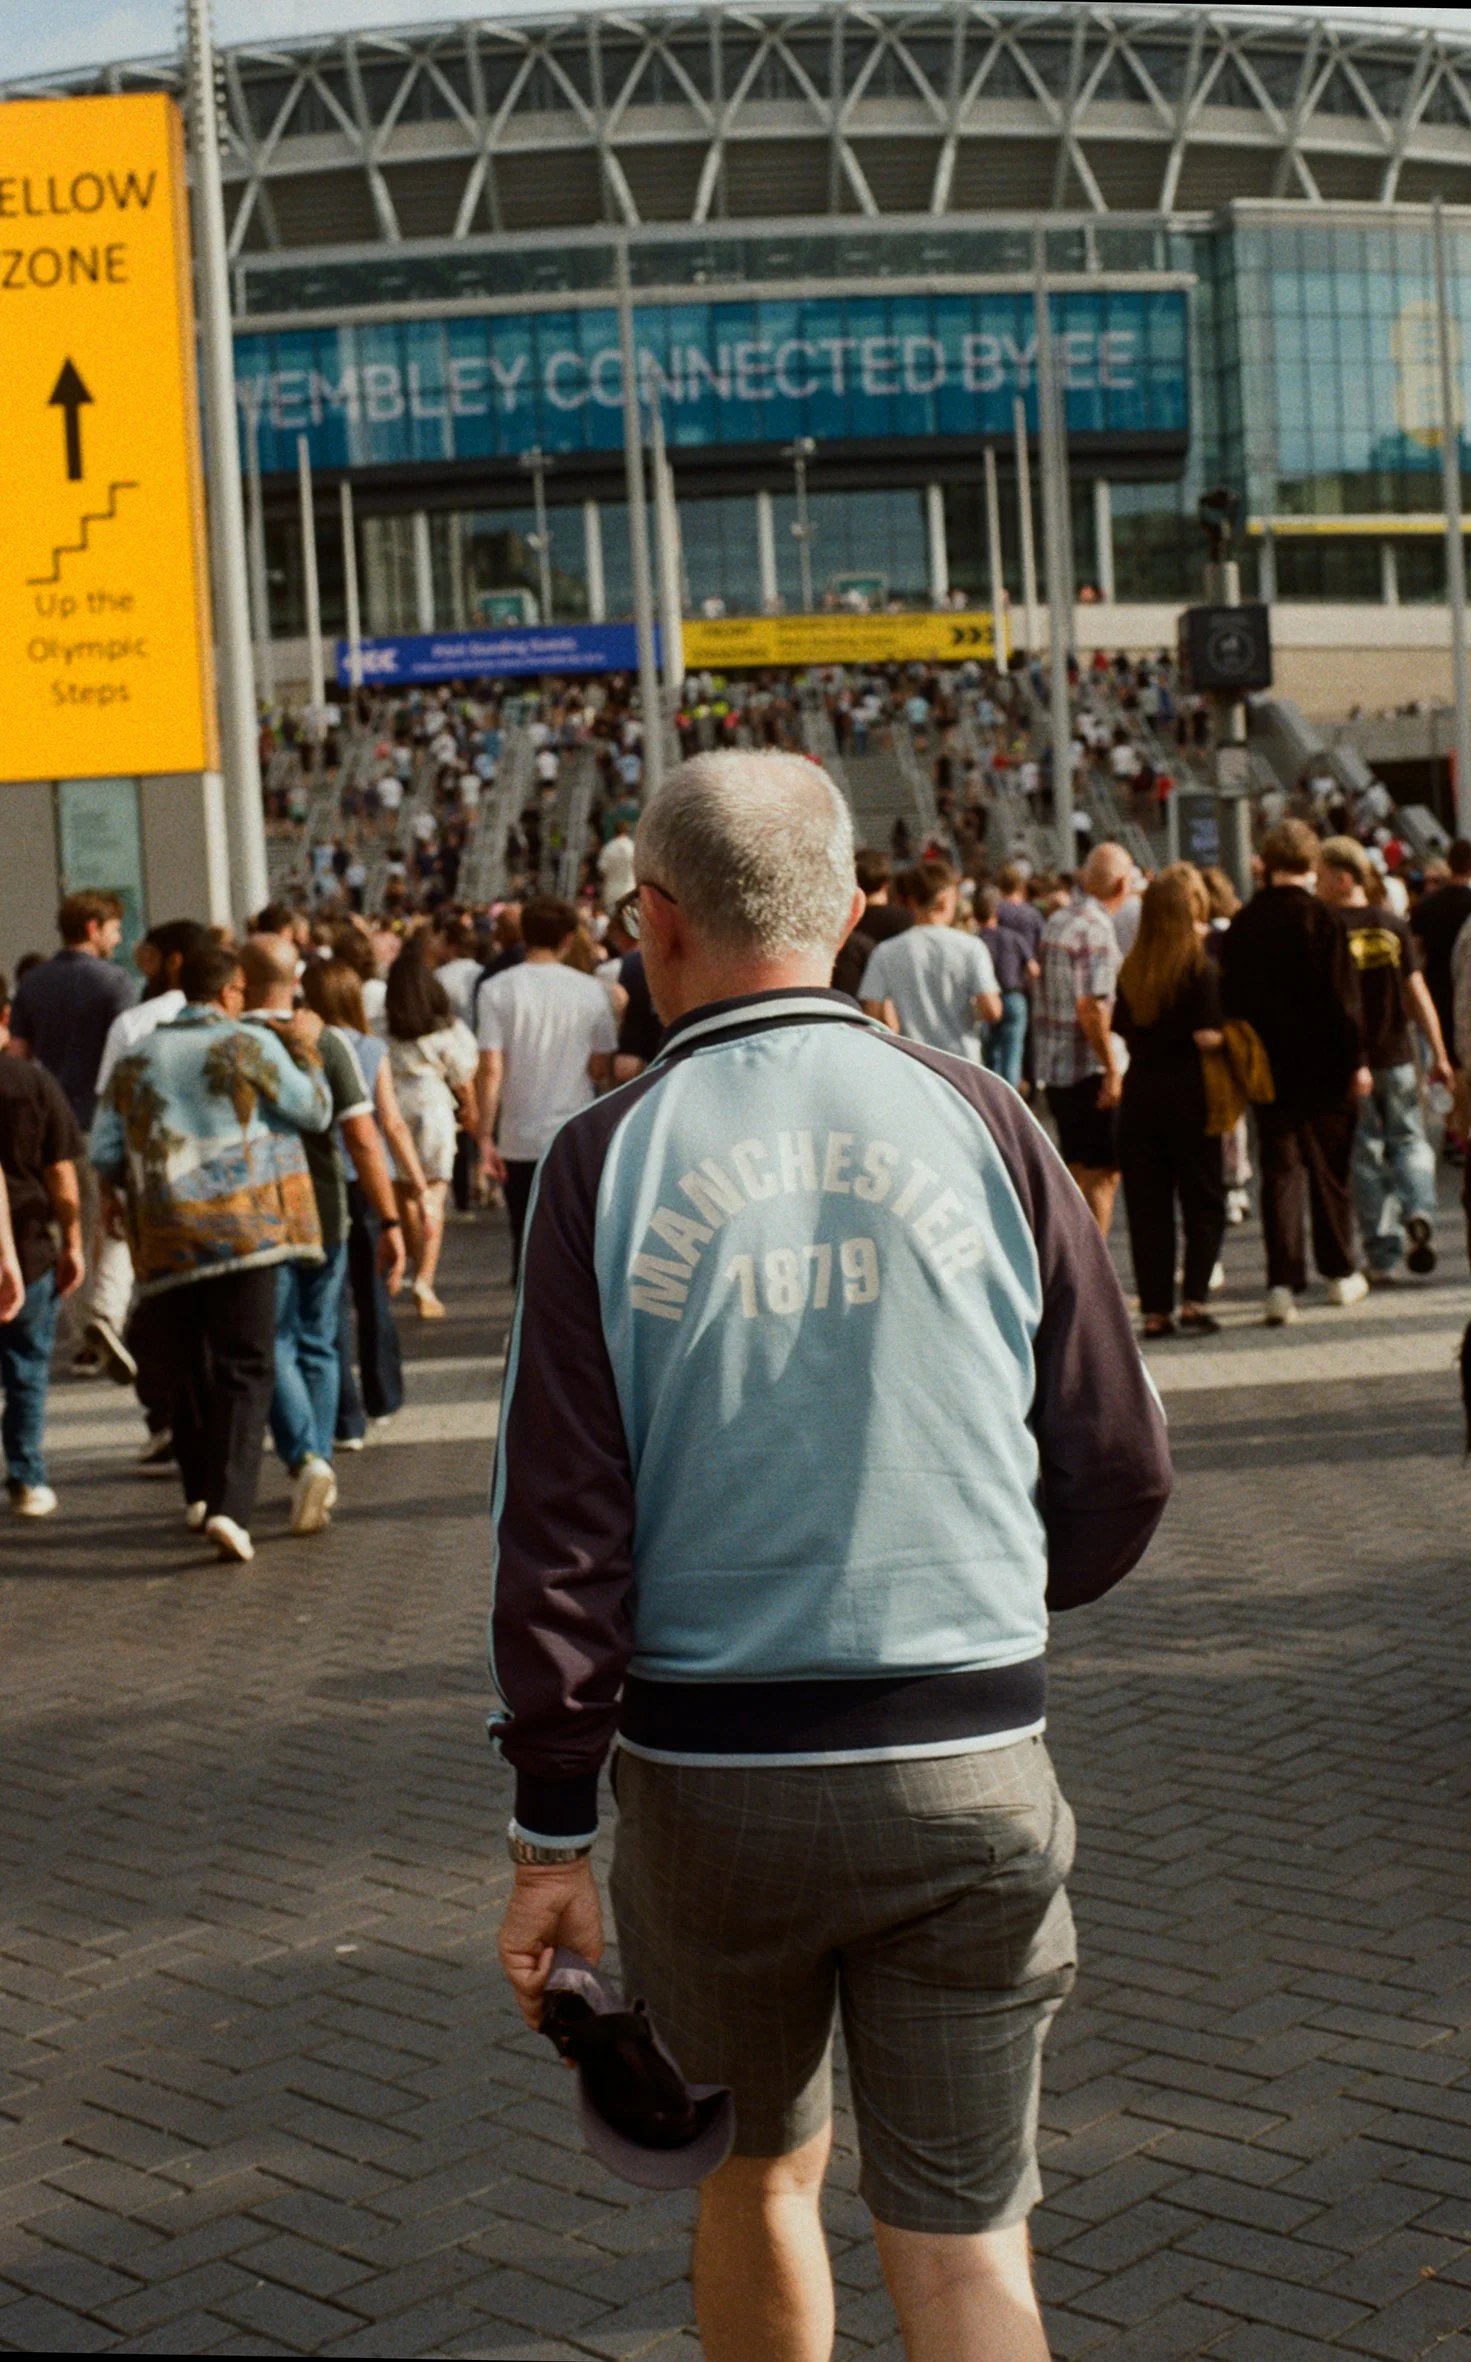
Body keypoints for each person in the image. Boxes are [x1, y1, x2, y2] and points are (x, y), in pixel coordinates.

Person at [490, 750, 1171, 2362]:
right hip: (967, 1759)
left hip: (714, 1780)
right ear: (853, 907)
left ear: (654, 921)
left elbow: (560, 1525)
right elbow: (1121, 1457)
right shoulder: (983, 1116)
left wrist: (548, 1831)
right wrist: (982, 1596)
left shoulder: (601, 1154)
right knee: (967, 2236)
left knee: (755, 2178)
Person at [90, 943, 332, 1564]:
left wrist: (122, 1192)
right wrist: (306, 1049)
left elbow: (105, 1150)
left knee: (189, 1364)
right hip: (247, 1231)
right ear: (230, 992)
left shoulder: (138, 1056)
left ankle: (199, 1493)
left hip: (167, 1234)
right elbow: (313, 1110)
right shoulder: (246, 1044)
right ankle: (231, 1508)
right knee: (246, 1365)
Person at [240, 936, 407, 1530]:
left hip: (255, 1212)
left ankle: (305, 1458)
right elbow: (363, 1137)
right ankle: (320, 1461)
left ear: (242, 979)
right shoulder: (329, 1041)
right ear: (296, 981)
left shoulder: (233, 1042)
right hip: (327, 1211)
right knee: (319, 1339)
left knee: (275, 1340)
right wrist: (390, 1218)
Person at [1220, 819, 1369, 1325]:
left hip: (1268, 1070)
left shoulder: (1244, 923)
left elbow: (1232, 1000)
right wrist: (1356, 1061)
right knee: (1330, 1172)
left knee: (1280, 1176)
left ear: (1267, 861)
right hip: (1325, 1069)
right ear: (1311, 862)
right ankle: (1339, 1272)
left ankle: (1281, 1284)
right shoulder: (1324, 920)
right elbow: (1345, 1003)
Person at [8, 891, 135, 1376]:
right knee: (112, 1223)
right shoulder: (114, 983)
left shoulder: (34, 984)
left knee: (72, 1227)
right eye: (114, 929)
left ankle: (85, 1334)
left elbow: (18, 1058)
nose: (118, 939)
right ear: (92, 927)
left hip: (51, 1127)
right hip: (103, 1121)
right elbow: (127, 1056)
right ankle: (103, 1316)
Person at [300, 958, 425, 1447]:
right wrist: (414, 1178)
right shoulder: (371, 1048)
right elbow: (389, 1122)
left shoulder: (301, 1044)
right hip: (370, 1183)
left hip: (320, 1182)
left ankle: (342, 1415)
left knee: (328, 1302)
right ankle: (383, 1395)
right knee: (374, 1296)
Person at [1317, 836, 1450, 1283]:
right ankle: (1420, 1210)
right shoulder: (1391, 924)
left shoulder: (1327, 929)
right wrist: (1438, 1052)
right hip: (1398, 1055)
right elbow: (1417, 992)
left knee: (1365, 1156)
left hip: (1348, 1062)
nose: (1316, 886)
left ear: (1343, 878)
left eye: (1321, 877)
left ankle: (1384, 1254)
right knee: (1410, 1140)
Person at [476, 895, 617, 1279]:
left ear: (524, 934)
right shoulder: (592, 991)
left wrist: (485, 1135)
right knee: (573, 1244)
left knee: (524, 1240)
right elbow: (600, 1066)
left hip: (518, 1135)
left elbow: (491, 1067)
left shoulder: (496, 989)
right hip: (574, 1132)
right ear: (568, 938)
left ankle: (525, 1311)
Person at [1115, 868, 1227, 1337]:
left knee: (1148, 1206)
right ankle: (1195, 1300)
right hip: (1189, 1093)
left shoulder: (1132, 969)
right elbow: (1206, 1036)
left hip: (1140, 1094)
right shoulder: (1199, 968)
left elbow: (1122, 1028)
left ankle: (1156, 1310)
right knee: (1204, 1199)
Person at [0, 972, 85, 1517]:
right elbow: (60, 1172)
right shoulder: (33, 1083)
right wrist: (72, 1241)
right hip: (30, 1246)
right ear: (5, 1016)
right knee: (27, 1371)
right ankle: (26, 1476)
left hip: (19, 1248)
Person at [1033, 843, 1133, 1234]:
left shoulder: (1059, 919)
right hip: (1088, 1068)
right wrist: (1112, 1069)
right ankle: (1091, 1265)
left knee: (1074, 1175)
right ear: (1122, 884)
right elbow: (1091, 1007)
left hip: (1057, 1066)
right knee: (1102, 1178)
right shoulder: (1095, 927)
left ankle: (1072, 1261)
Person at [384, 942, 479, 1319]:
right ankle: (426, 1279)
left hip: (396, 1109)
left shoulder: (383, 1030)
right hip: (435, 1109)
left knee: (408, 1194)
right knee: (434, 1196)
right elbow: (463, 1076)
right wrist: (471, 1110)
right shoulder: (449, 1030)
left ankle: (415, 1263)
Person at [859, 859, 1001, 1062]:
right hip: (962, 1062)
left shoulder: (885, 951)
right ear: (944, 901)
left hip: (913, 1061)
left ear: (911, 901)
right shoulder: (971, 947)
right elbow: (992, 1010)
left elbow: (872, 1014)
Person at [1410, 835, 1471, 1147]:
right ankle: (1462, 1128)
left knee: (1445, 1060)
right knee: (1464, 1066)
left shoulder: (1427, 905)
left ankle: (1451, 1125)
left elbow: (1413, 955)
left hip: (1435, 992)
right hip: (1465, 991)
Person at [831, 849, 912, 1000]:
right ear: (886, 885)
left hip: (848, 999)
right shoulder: (905, 920)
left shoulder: (842, 922)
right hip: (893, 999)